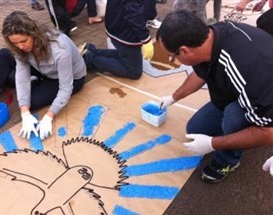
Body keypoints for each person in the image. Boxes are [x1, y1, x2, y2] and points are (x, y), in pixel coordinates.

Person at [157, 10, 273, 183]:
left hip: (264, 95)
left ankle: (228, 161)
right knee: (195, 129)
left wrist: (213, 144)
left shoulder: (247, 68)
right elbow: (200, 74)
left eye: (171, 56)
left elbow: (268, 132)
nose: (172, 60)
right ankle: (234, 133)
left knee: (234, 117)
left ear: (185, 51)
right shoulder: (211, 35)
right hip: (243, 90)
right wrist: (173, 97)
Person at [1, 11, 87, 140]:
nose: (20, 46)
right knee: (25, 99)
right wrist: (24, 112)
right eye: (15, 43)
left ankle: (36, 82)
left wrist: (48, 117)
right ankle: (36, 81)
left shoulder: (60, 50)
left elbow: (66, 88)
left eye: (24, 41)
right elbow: (22, 75)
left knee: (33, 101)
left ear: (34, 34)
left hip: (72, 79)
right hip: (45, 71)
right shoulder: (20, 48)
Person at [82, 0, 154, 80]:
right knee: (134, 71)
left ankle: (91, 52)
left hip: (118, 22)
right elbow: (133, 13)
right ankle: (90, 59)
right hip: (125, 30)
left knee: (126, 55)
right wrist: (145, 38)